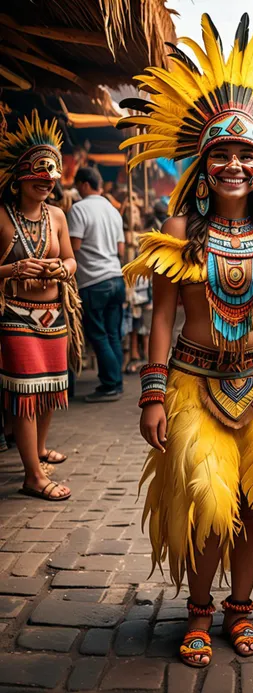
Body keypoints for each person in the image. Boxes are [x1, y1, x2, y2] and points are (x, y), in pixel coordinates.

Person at [120, 12, 253, 668]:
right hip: (192, 383)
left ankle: (241, 607)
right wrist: (151, 395)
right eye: (222, 153)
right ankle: (198, 611)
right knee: (204, 504)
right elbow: (161, 317)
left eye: (246, 154)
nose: (234, 164)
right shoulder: (177, 232)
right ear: (203, 161)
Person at [0, 110, 83, 501]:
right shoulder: (1, 217)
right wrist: (12, 268)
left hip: (53, 317)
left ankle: (36, 452)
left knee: (50, 389)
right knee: (26, 394)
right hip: (15, 316)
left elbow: (71, 261)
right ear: (19, 179)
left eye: (51, 178)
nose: (48, 182)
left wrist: (59, 269)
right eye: (39, 176)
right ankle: (33, 474)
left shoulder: (58, 216)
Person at [68, 167, 125, 402]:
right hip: (115, 277)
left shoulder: (79, 209)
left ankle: (111, 383)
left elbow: (74, 247)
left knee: (99, 335)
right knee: (112, 334)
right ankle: (116, 382)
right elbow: (121, 249)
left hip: (93, 281)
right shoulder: (113, 210)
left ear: (83, 184)